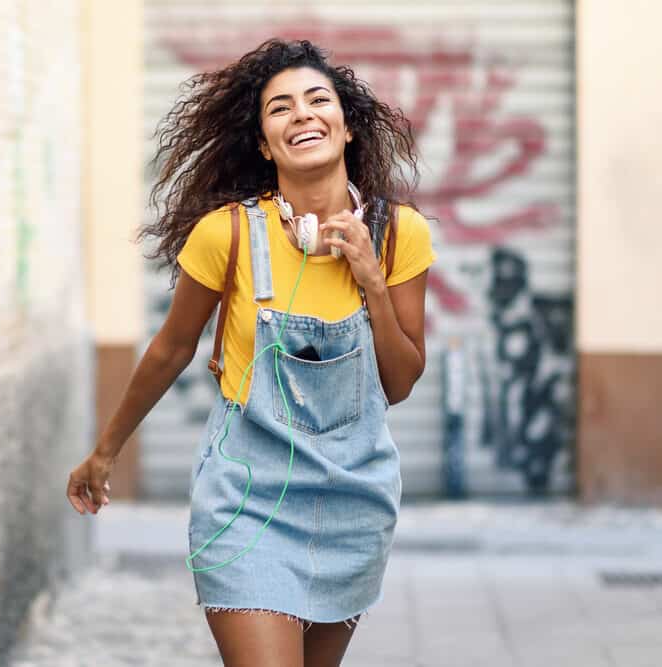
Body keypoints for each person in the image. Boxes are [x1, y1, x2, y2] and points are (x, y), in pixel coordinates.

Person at [66, 38, 436, 667]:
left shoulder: (400, 234)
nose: (303, 115)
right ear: (265, 144)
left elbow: (399, 382)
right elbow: (170, 350)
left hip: (354, 503)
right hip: (247, 504)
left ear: (347, 128)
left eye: (319, 100)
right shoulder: (228, 234)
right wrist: (106, 451)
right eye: (280, 109)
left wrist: (372, 281)